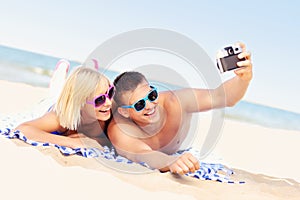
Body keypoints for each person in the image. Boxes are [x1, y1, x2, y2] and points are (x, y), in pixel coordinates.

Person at [107, 43, 252, 175]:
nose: (150, 106)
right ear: (124, 111)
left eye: (152, 95)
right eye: (139, 105)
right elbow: (141, 154)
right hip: (167, 157)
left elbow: (223, 97)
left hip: (184, 150)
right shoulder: (120, 129)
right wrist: (169, 162)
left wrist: (243, 79)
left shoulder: (175, 102)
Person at [14, 63, 114, 149]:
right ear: (79, 104)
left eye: (110, 93)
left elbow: (105, 140)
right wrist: (70, 141)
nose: (109, 103)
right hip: (49, 104)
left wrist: (89, 139)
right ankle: (59, 73)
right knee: (54, 93)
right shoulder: (58, 118)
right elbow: (22, 129)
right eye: (99, 99)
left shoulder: (102, 118)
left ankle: (90, 74)